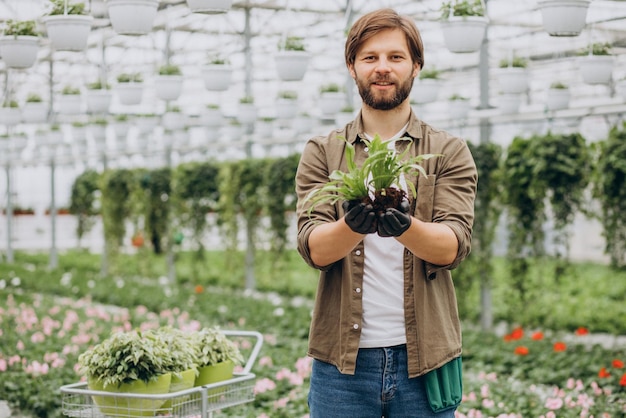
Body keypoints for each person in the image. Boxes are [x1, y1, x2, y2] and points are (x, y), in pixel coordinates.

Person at [295, 8, 478, 418]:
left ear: (416, 66)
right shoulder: (323, 151)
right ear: (352, 67)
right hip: (342, 367)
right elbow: (314, 248)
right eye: (370, 57)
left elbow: (453, 246)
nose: (382, 68)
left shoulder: (448, 151)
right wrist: (352, 225)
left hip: (425, 359)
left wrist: (405, 227)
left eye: (395, 57)